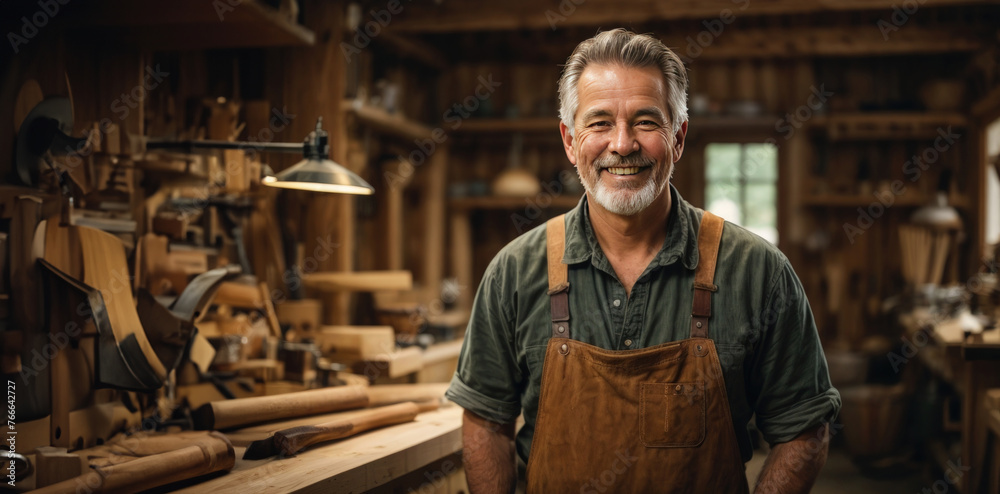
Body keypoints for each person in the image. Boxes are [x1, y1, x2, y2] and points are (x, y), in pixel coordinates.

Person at [445, 28, 841, 493]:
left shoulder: (758, 272)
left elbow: (804, 428)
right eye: (599, 123)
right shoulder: (513, 273)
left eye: (646, 121)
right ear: (570, 141)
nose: (623, 144)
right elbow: (486, 422)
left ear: (679, 136)